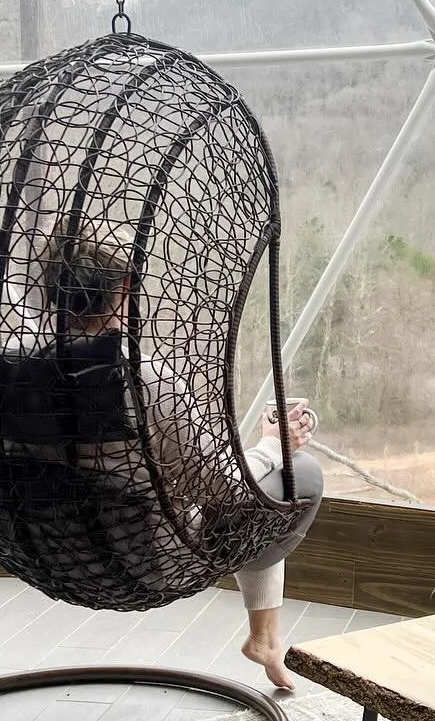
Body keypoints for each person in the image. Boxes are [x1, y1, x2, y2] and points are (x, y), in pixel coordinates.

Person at [41, 232, 324, 690]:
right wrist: (274, 445)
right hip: (148, 556)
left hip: (53, 546)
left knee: (258, 480)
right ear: (126, 291)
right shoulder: (141, 379)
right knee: (298, 476)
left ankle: (265, 639)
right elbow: (227, 490)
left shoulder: (17, 373)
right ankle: (264, 637)